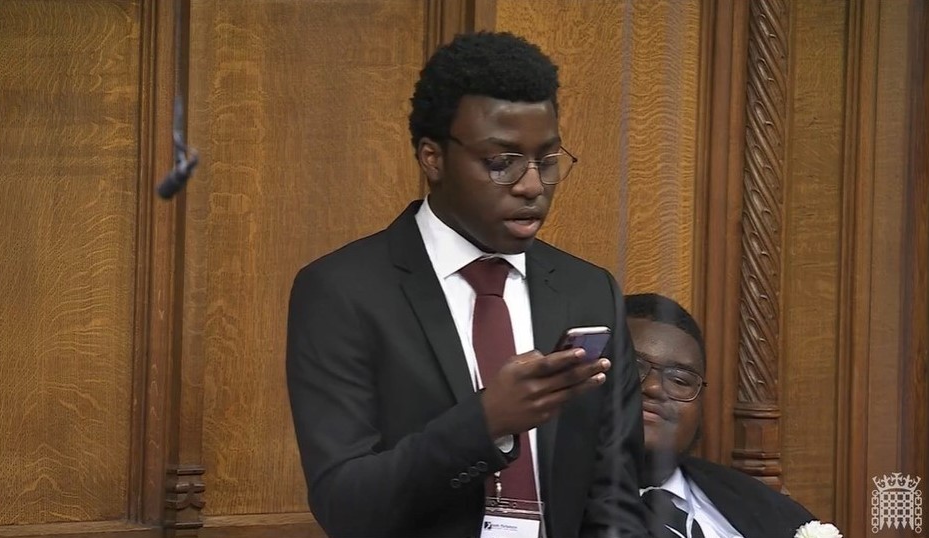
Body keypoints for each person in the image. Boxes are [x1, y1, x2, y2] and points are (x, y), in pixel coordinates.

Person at [286, 31, 648, 538]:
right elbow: (345, 504)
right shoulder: (342, 292)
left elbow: (615, 496)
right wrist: (485, 422)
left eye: (546, 161)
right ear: (433, 158)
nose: (531, 185)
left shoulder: (590, 292)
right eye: (501, 163)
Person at [624, 293, 815, 538]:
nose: (653, 387)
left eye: (680, 380)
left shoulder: (768, 508)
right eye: (632, 367)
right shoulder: (561, 505)